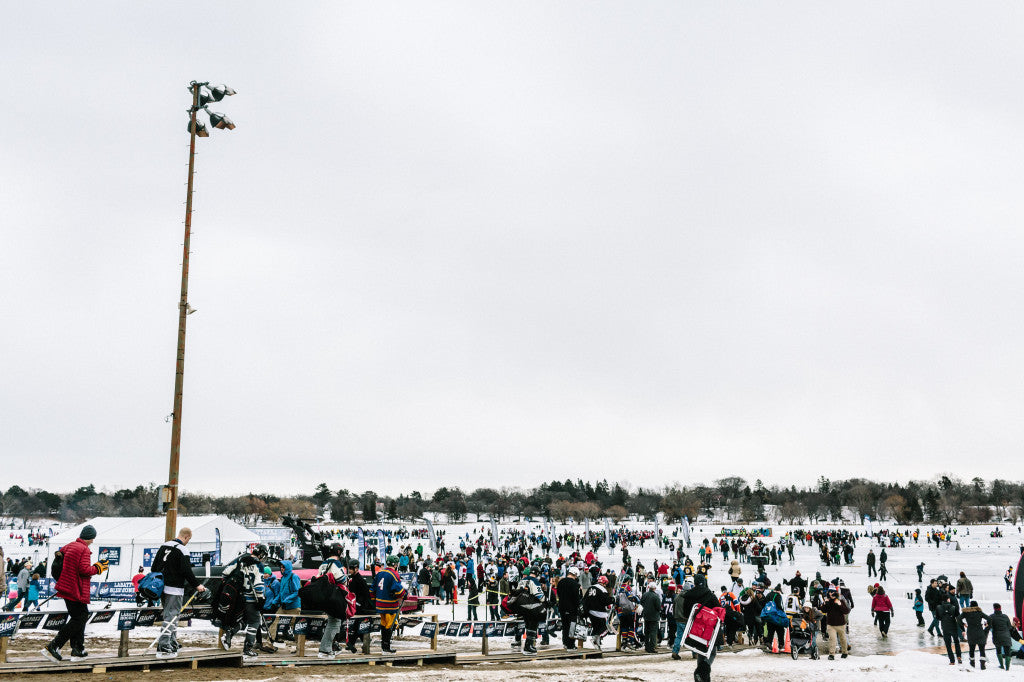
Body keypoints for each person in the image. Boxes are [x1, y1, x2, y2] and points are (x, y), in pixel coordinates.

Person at [41, 525, 107, 662]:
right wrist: (97, 568)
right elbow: (84, 570)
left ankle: (78, 649)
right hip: (76, 588)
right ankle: (54, 645)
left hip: (66, 586)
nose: (93, 541)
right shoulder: (84, 549)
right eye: (93, 538)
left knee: (78, 617)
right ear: (90, 538)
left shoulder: (69, 546)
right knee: (80, 617)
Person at [152, 528, 208, 658]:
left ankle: (171, 641)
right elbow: (186, 571)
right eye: (189, 539)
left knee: (172, 615)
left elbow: (154, 567)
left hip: (162, 587)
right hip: (174, 588)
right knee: (171, 616)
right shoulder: (182, 549)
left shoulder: (164, 546)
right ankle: (163, 644)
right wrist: (197, 585)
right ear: (187, 537)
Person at [221, 550, 266, 661]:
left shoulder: (240, 560)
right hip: (251, 599)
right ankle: (248, 649)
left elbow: (225, 573)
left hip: (238, 598)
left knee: (244, 620)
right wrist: (261, 599)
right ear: (261, 555)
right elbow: (259, 585)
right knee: (255, 622)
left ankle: (229, 634)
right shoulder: (258, 565)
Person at [676, 574, 719, 682]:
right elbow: (718, 609)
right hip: (708, 629)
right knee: (712, 652)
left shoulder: (688, 595)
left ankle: (702, 678)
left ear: (694, 583)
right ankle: (701, 672)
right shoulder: (710, 595)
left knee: (700, 651)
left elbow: (686, 613)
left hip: (694, 629)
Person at [316, 545, 348, 659]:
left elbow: (317, 577)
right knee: (334, 623)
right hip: (334, 597)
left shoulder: (323, 564)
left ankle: (328, 648)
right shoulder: (336, 563)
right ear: (339, 552)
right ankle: (325, 650)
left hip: (324, 596)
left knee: (333, 622)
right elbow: (342, 579)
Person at [373, 555, 408, 654]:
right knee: (390, 625)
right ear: (396, 564)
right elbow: (397, 590)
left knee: (383, 624)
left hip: (380, 604)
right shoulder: (394, 574)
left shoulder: (380, 572)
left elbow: (373, 588)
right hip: (390, 605)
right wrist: (404, 594)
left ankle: (384, 646)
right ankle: (386, 647)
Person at [269, 560, 301, 644]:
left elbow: (297, 592)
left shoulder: (294, 577)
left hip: (293, 607)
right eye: (281, 567)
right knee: (274, 622)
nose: (281, 568)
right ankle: (270, 643)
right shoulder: (283, 578)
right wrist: (274, 602)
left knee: (296, 627)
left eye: (283, 567)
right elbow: (281, 593)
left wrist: (286, 600)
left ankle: (299, 647)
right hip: (284, 606)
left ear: (287, 567)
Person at [583, 575, 613, 650]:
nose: (605, 585)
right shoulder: (602, 589)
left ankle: (597, 643)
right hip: (600, 613)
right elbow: (606, 601)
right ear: (604, 583)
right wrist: (612, 600)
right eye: (605, 584)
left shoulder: (590, 588)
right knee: (607, 627)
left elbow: (585, 599)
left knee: (596, 628)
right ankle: (596, 639)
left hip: (590, 612)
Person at [556, 566, 582, 649]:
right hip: (572, 609)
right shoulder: (575, 584)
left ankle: (565, 643)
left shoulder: (560, 582)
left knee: (565, 626)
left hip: (562, 607)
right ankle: (570, 644)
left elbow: (559, 594)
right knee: (572, 627)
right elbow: (577, 598)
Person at [821, 587, 850, 660]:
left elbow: (846, 611)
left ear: (835, 594)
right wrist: (825, 603)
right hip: (831, 624)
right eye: (830, 592)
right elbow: (823, 610)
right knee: (832, 639)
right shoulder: (828, 601)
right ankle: (831, 654)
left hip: (841, 624)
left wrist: (840, 604)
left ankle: (844, 652)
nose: (831, 594)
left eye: (832, 592)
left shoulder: (840, 601)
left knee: (842, 639)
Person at [961, 600, 989, 669]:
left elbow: (958, 619)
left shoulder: (966, 613)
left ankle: (972, 663)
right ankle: (982, 665)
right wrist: (986, 627)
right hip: (980, 632)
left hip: (971, 632)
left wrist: (963, 624)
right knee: (982, 649)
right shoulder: (979, 612)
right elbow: (989, 619)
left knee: (972, 649)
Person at [988, 603, 1016, 671]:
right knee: (1007, 651)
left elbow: (990, 627)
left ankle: (1001, 665)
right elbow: (1009, 627)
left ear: (994, 608)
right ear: (1000, 608)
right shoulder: (1005, 616)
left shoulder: (991, 616)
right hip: (1006, 636)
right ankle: (1007, 668)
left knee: (998, 650)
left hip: (997, 636)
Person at [936, 594, 963, 665]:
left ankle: (952, 661)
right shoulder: (953, 607)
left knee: (948, 644)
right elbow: (959, 618)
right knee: (956, 642)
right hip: (953, 626)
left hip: (945, 627)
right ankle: (959, 657)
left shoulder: (938, 607)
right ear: (948, 599)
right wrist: (962, 629)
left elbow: (937, 618)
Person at [640, 580, 661, 653]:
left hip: (646, 616)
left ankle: (646, 646)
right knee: (653, 632)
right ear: (654, 588)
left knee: (647, 631)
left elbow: (641, 603)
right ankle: (652, 647)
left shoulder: (645, 594)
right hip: (654, 616)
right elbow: (658, 607)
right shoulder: (656, 596)